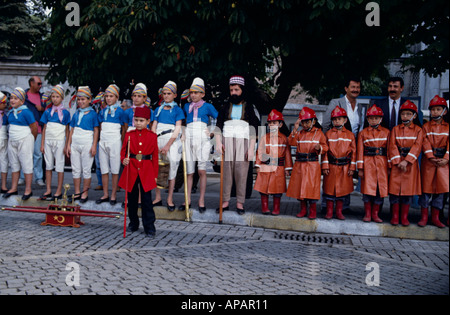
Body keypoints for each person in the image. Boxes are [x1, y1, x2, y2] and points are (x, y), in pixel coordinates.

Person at [216, 75, 260, 215]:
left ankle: (240, 203)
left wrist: (252, 148)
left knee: (241, 172)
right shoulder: (225, 106)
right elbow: (218, 125)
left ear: (242, 90)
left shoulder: (249, 107)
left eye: (236, 89)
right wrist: (218, 142)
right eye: (231, 90)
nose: (233, 93)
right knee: (227, 172)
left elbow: (254, 128)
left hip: (243, 141)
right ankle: (225, 202)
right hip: (227, 139)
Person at [120, 106, 159, 238]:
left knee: (147, 200)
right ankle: (133, 223)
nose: (138, 123)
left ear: (148, 121)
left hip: (146, 170)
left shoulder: (153, 137)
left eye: (141, 120)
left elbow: (155, 157)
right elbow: (123, 151)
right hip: (131, 169)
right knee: (131, 199)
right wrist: (123, 159)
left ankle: (149, 227)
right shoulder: (129, 135)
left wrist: (154, 175)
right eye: (136, 120)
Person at [182, 78, 218, 213]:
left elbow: (218, 118)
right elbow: (182, 120)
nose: (193, 95)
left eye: (197, 92)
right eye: (191, 92)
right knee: (189, 172)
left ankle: (201, 200)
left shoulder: (208, 106)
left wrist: (213, 132)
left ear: (202, 94)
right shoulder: (186, 107)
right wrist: (183, 132)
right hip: (189, 137)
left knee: (201, 170)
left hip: (203, 137)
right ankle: (188, 199)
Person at [287, 107, 327, 219]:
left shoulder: (319, 134)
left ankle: (312, 211)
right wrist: (294, 129)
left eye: (307, 121)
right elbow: (291, 142)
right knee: (300, 187)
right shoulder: (299, 133)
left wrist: (320, 148)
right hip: (300, 164)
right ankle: (303, 209)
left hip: (312, 165)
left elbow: (326, 146)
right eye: (303, 122)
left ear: (314, 121)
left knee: (312, 188)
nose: (305, 124)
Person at [388, 100, 423, 226]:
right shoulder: (395, 129)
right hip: (397, 164)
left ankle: (404, 218)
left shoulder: (419, 130)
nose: (405, 117)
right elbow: (392, 146)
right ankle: (395, 217)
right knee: (395, 192)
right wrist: (398, 161)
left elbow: (418, 147)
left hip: (410, 165)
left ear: (414, 115)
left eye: (409, 114)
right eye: (403, 114)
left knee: (407, 193)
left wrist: (407, 161)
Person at [151, 81, 185, 211]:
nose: (166, 96)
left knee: (172, 169)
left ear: (174, 95)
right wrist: (154, 142)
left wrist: (167, 145)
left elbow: (177, 129)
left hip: (171, 141)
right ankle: (158, 197)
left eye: (169, 94)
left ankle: (169, 198)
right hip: (158, 140)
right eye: (164, 94)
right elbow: (154, 126)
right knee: (158, 168)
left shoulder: (177, 110)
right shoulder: (158, 109)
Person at [254, 109, 292, 216]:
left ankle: (276, 208)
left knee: (277, 189)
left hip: (278, 168)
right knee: (263, 188)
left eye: (274, 123)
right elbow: (259, 152)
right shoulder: (264, 138)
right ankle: (264, 207)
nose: (272, 125)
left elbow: (287, 154)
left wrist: (287, 168)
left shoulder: (284, 139)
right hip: (265, 166)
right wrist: (257, 164)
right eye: (270, 123)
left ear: (280, 124)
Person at [418, 96, 448, 228]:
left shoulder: (448, 127)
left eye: (438, 109)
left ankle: (435, 217)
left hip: (444, 163)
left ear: (444, 111)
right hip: (429, 162)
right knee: (426, 190)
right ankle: (424, 217)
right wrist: (430, 156)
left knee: (440, 190)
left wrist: (446, 158)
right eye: (433, 109)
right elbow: (424, 142)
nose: (435, 112)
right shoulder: (425, 127)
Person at [322, 106, 356, 220]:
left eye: (339, 119)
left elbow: (354, 153)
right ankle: (329, 212)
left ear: (345, 120)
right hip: (331, 166)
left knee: (342, 190)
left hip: (344, 167)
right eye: (335, 119)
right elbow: (325, 152)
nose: (337, 121)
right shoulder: (328, 134)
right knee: (329, 190)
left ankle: (339, 212)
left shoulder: (350, 135)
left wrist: (352, 167)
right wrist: (325, 165)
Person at [357, 104, 390, 223]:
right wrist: (360, 168)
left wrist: (389, 167)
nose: (373, 120)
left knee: (379, 190)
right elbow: (360, 151)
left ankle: (375, 214)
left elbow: (390, 151)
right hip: (368, 163)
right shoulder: (363, 133)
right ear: (367, 119)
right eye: (371, 118)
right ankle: (367, 214)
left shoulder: (387, 132)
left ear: (381, 119)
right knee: (367, 190)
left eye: (376, 118)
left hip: (382, 163)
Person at [66, 87, 99, 203]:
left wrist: (94, 145)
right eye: (79, 99)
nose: (80, 102)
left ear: (89, 100)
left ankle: (84, 192)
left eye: (83, 99)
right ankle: (77, 192)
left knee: (86, 169)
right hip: (75, 142)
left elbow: (96, 130)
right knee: (75, 169)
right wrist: (68, 145)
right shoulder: (76, 114)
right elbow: (72, 129)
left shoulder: (93, 114)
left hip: (86, 142)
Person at [3, 88, 38, 200]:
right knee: (14, 164)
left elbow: (34, 128)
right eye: (11, 98)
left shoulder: (27, 112)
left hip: (25, 139)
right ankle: (14, 187)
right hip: (13, 140)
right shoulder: (10, 113)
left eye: (16, 98)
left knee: (26, 163)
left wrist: (32, 139)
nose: (12, 100)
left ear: (22, 101)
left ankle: (28, 189)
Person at [39, 85, 71, 200]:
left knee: (59, 165)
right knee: (48, 165)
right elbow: (44, 129)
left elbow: (68, 130)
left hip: (59, 141)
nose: (55, 99)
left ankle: (58, 190)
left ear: (62, 98)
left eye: (57, 96)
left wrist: (67, 144)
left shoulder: (65, 113)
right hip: (48, 140)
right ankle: (48, 189)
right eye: (53, 96)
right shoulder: (47, 112)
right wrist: (42, 143)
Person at [97, 84, 125, 205]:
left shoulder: (120, 112)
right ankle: (105, 194)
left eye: (111, 96)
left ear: (116, 97)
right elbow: (99, 127)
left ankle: (113, 194)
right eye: (107, 96)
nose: (108, 98)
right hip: (103, 141)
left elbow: (124, 128)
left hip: (115, 141)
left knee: (114, 169)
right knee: (104, 168)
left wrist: (122, 143)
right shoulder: (102, 111)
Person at [23, 76, 45, 186]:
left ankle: (39, 178)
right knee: (24, 153)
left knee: (38, 154)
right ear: (32, 83)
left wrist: (43, 109)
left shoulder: (42, 97)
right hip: (26, 129)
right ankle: (22, 177)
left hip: (39, 129)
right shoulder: (23, 97)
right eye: (39, 83)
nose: (40, 86)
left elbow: (47, 110)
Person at [0, 92, 9, 193]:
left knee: (4, 162)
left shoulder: (5, 115)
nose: (5, 105)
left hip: (4, 140)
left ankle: (3, 185)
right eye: (3, 103)